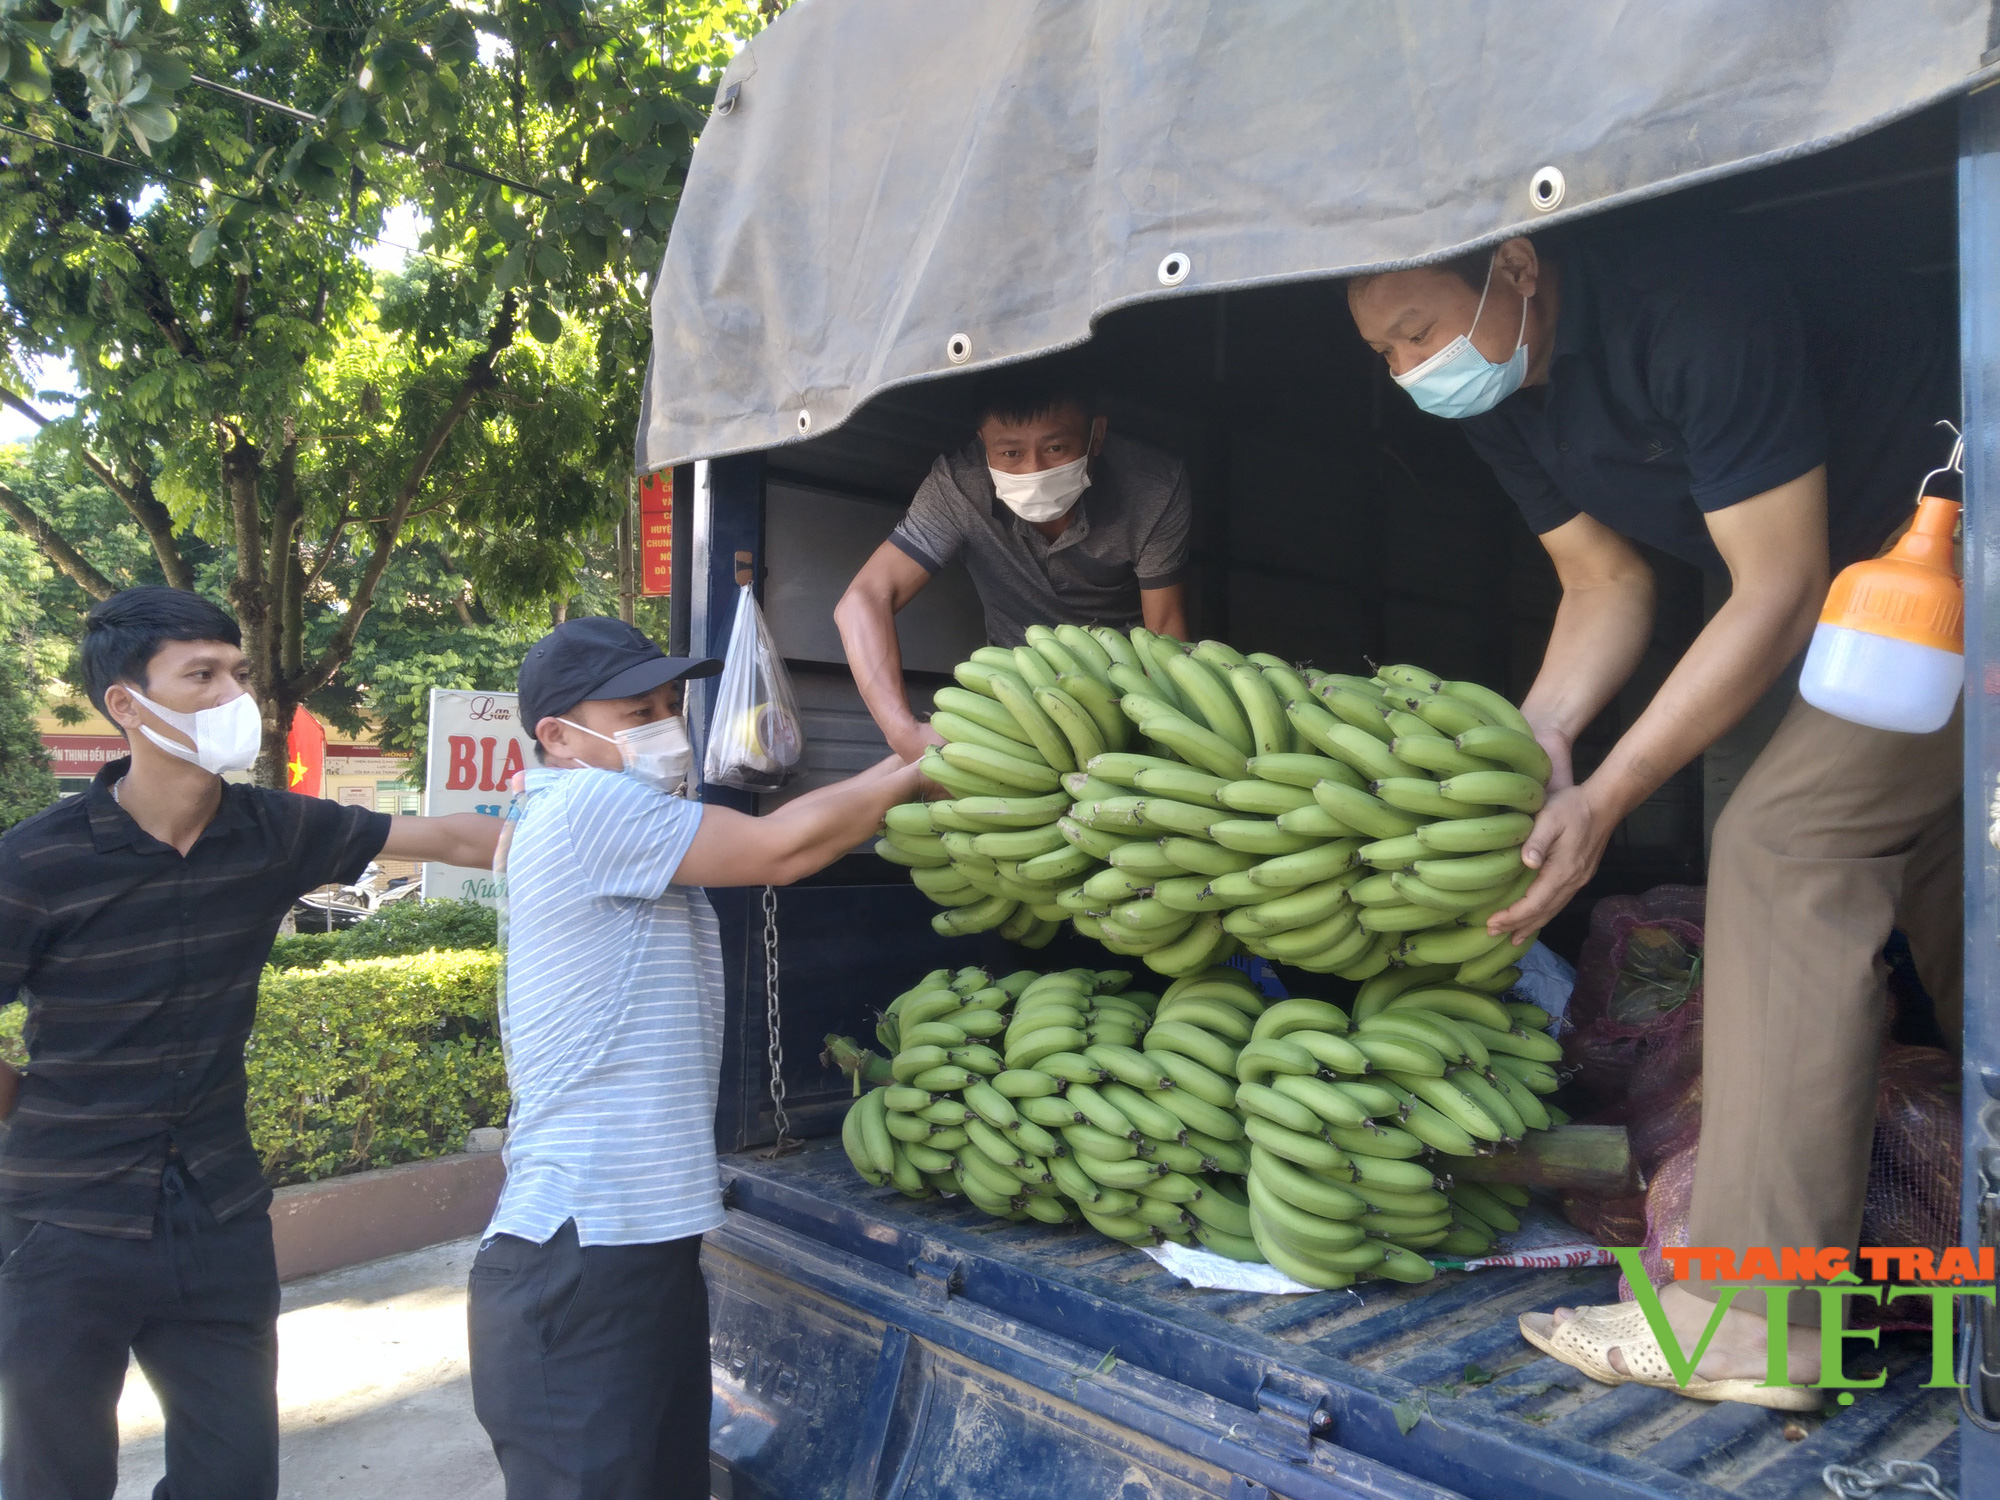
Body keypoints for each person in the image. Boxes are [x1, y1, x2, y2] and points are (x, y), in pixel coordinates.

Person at [1347, 221, 1959, 1408]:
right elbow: (1603, 582)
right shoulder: (1503, 396)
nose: (1406, 366)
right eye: (1378, 350)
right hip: (1867, 600)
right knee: (1934, 868)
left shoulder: (1690, 301)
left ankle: (1750, 1321)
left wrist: (1612, 793)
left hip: (1945, 553)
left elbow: (1772, 587)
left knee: (1785, 843)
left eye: (1416, 329)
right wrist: (1534, 755)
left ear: (1514, 266)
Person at [0, 586, 505, 1499]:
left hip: (220, 1216)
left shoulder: (273, 830)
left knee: (232, 1480)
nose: (235, 692)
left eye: (237, 671)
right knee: (53, 1479)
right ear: (126, 704)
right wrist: (30, 1117)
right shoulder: (35, 861)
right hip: (63, 1228)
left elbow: (456, 837)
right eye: (202, 674)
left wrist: (620, 840)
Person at [467, 616, 926, 1500]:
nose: (666, 726)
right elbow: (782, 849)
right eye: (638, 709)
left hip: (632, 1247)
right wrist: (919, 762)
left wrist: (901, 773)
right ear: (558, 736)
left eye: (672, 705)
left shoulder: (589, 814)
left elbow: (809, 842)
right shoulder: (587, 807)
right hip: (580, 1251)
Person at [835, 359, 1193, 759]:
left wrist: (1142, 729)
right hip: (1014, 693)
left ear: (1096, 436)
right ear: (982, 443)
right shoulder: (958, 488)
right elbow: (864, 598)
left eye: (1055, 448)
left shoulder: (1153, 489)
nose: (1033, 470)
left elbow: (1164, 630)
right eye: (1009, 452)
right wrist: (902, 732)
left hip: (1123, 690)